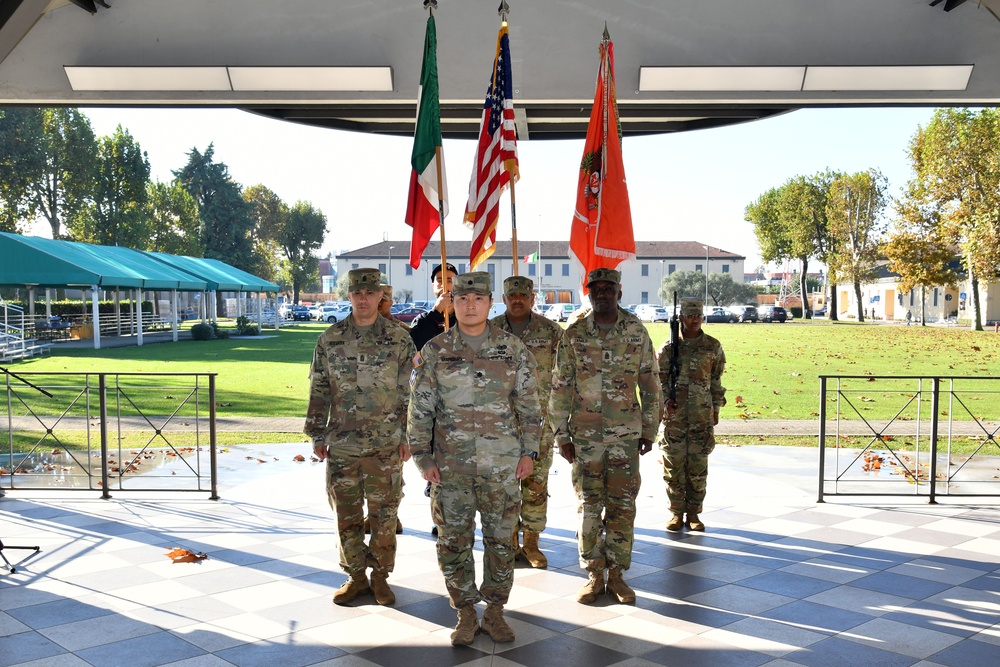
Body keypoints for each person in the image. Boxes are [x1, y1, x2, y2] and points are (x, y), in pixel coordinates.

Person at [408, 271, 541, 646]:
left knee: (501, 542)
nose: (469, 305)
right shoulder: (435, 351)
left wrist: (530, 451)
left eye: (477, 299)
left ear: (489, 303)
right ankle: (465, 613)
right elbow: (419, 411)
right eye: (461, 299)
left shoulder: (513, 350)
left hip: (502, 465)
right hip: (450, 467)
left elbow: (530, 406)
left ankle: (495, 612)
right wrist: (422, 457)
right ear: (452, 302)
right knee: (453, 543)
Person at [549, 268, 662, 605]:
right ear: (588, 293)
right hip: (584, 439)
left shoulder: (635, 331)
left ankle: (617, 575)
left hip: (625, 436)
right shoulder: (575, 333)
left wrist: (650, 429)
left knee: (623, 507)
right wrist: (561, 434)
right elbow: (559, 386)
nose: (601, 294)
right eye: (595, 289)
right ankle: (594, 574)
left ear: (619, 291)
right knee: (588, 507)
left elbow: (650, 384)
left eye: (607, 288)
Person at [304, 268, 416, 607]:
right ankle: (356, 577)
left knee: (384, 514)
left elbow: (411, 391)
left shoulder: (399, 339)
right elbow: (319, 388)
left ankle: (380, 577)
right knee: (346, 514)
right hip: (342, 443)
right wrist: (316, 432)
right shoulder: (330, 339)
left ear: (380, 296)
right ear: (349, 295)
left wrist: (408, 437)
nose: (364, 298)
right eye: (357, 293)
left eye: (371, 293)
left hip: (385, 443)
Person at [490, 275, 563, 568]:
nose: (517, 300)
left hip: (539, 423)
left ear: (533, 298)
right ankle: (509, 543)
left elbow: (565, 373)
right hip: (500, 424)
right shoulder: (490, 330)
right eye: (512, 296)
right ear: (504, 299)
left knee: (535, 484)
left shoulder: (551, 332)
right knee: (504, 486)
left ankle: (531, 543)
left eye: (523, 295)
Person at [657, 297, 727, 533]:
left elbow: (717, 380)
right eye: (690, 315)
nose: (695, 319)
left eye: (698, 315)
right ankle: (676, 513)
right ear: (681, 318)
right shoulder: (668, 348)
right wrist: (666, 400)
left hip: (701, 416)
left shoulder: (712, 346)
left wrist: (715, 408)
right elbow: (660, 380)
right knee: (673, 468)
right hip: (675, 418)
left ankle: (694, 514)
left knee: (698, 468)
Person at [408, 262, 459, 537]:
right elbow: (413, 345)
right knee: (434, 467)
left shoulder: (467, 317)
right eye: (439, 279)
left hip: (461, 404)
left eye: (449, 279)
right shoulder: (424, 320)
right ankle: (440, 521)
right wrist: (437, 313)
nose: (444, 284)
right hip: (432, 407)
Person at [409, 262, 458, 350]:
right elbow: (415, 347)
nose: (444, 285)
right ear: (433, 286)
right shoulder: (422, 320)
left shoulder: (465, 318)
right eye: (440, 281)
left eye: (449, 281)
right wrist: (437, 311)